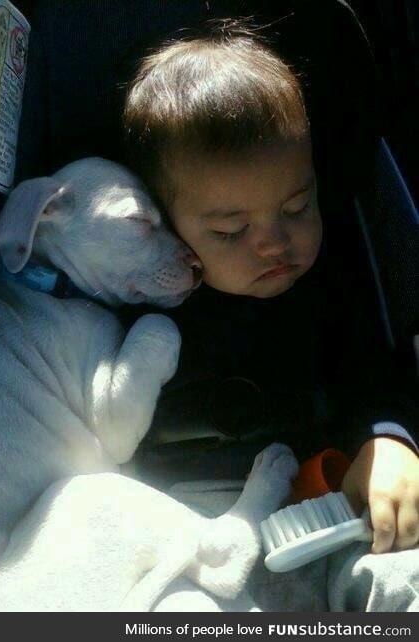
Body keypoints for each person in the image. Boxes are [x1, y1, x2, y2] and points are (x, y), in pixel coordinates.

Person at [122, 20, 419, 610]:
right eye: (232, 231)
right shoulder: (133, 300)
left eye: (297, 206)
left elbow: (376, 374)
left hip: (327, 509)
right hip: (182, 527)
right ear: (167, 224)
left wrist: (388, 441)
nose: (275, 244)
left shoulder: (327, 284)